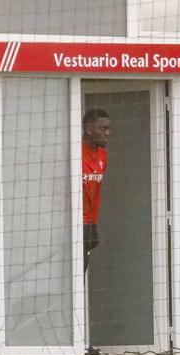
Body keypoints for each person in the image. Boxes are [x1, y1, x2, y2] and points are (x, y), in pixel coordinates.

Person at [82, 109, 110, 274]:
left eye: (108, 129)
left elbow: (96, 192)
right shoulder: (75, 153)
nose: (107, 133)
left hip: (88, 223)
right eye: (103, 129)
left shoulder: (102, 156)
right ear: (89, 129)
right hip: (72, 223)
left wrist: (92, 222)